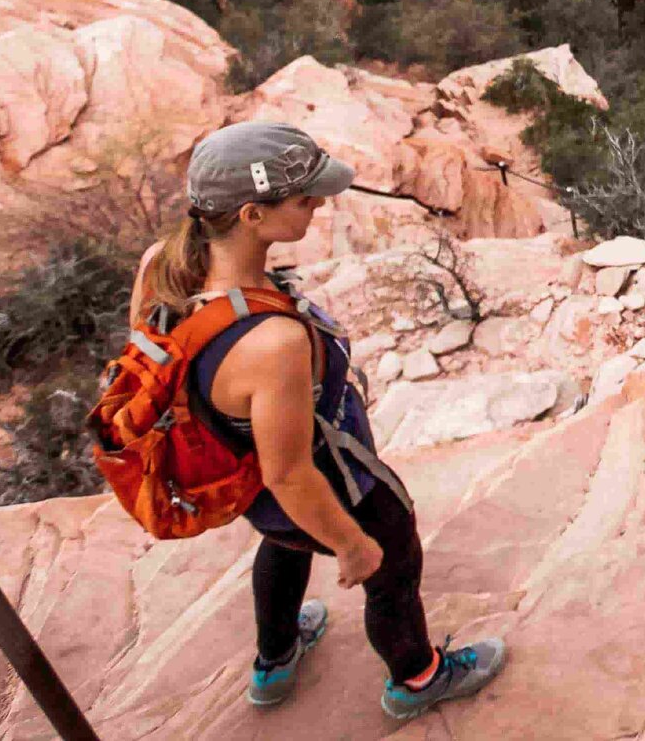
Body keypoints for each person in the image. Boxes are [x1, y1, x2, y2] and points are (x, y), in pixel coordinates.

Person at [129, 121, 506, 718]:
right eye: (305, 198)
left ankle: (275, 661)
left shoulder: (163, 265)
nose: (320, 204)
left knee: (282, 546)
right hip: (332, 487)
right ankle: (417, 677)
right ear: (252, 215)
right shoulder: (270, 342)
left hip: (249, 482)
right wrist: (352, 544)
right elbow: (293, 474)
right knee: (394, 566)